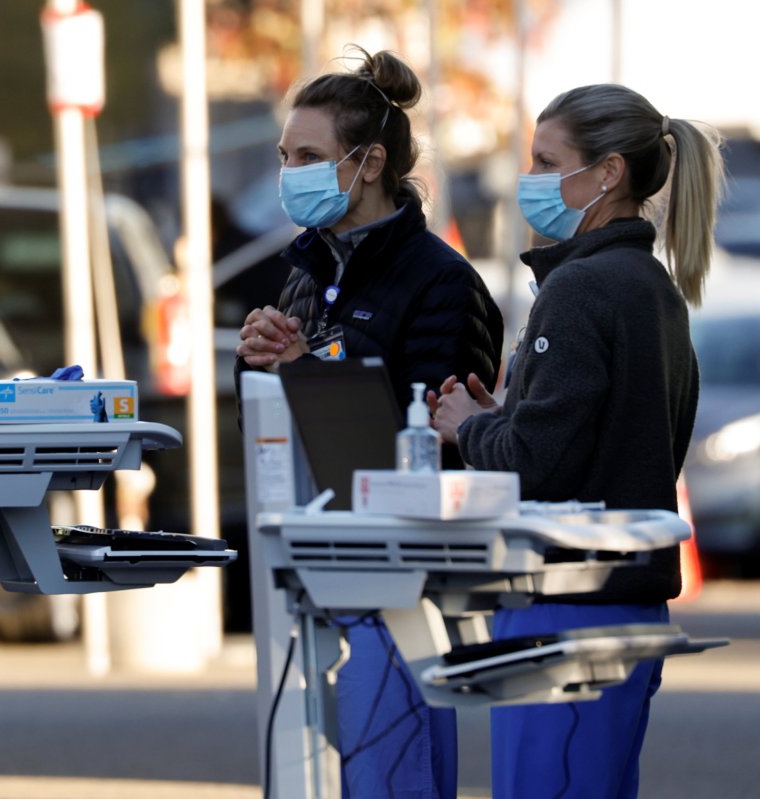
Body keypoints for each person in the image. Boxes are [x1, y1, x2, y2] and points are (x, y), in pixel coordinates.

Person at [432, 83, 725, 799]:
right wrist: (500, 416)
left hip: (564, 606)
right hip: (623, 604)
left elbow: (538, 464)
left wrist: (467, 427)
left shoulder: (582, 288)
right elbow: (601, 442)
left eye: (545, 158)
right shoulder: (651, 287)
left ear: (608, 172)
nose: (530, 176)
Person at [235, 47, 503, 799]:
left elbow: (433, 432)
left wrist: (308, 365)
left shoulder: (442, 282)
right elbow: (275, 412)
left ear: (371, 162)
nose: (293, 172)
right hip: (311, 564)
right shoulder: (305, 272)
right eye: (287, 155)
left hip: (399, 581)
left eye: (311, 156)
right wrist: (256, 361)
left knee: (394, 773)